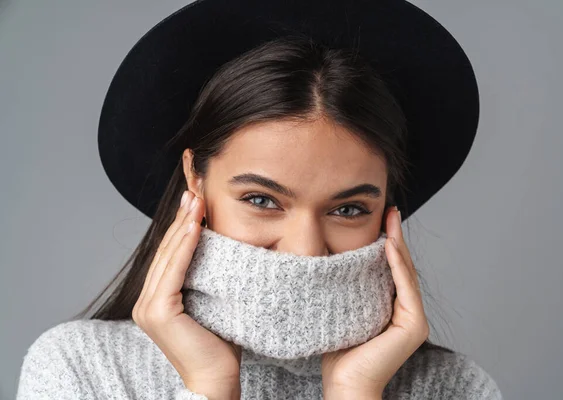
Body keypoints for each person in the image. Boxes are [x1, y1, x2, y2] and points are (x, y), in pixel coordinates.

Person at [16, 0, 503, 399]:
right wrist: (210, 388)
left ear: (388, 212)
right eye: (262, 199)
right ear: (196, 181)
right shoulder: (81, 370)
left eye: (348, 209)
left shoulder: (456, 390)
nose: (305, 252)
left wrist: (356, 392)